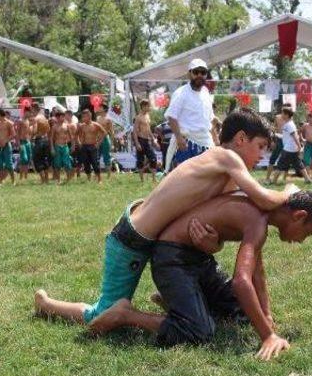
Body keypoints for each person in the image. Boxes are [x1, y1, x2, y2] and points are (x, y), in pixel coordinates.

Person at [33, 108, 297, 331]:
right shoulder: (225, 158)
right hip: (132, 238)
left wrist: (214, 244)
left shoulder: (224, 173)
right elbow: (263, 199)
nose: (262, 155)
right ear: (240, 139)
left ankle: (174, 302)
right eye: (260, 147)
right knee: (102, 311)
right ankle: (47, 305)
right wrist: (288, 191)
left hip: (153, 239)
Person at [39, 190, 312, 361]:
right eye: (308, 234)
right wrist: (268, 336)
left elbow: (257, 272)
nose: (302, 241)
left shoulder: (261, 210)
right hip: (173, 260)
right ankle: (127, 314)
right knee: (200, 332)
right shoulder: (257, 220)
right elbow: (242, 281)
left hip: (198, 260)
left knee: (243, 311)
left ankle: (179, 303)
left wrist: (265, 315)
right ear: (299, 216)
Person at [163, 58, 217, 171]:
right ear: (189, 74)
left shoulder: (206, 93)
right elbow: (171, 116)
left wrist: (215, 139)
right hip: (187, 142)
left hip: (206, 142)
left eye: (203, 72)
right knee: (184, 179)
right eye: (196, 72)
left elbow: (210, 118)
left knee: (206, 178)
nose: (199, 75)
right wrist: (179, 138)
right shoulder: (181, 93)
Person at [270, 107, 312, 185]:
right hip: (292, 149)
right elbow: (286, 136)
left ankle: (273, 181)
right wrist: (275, 134)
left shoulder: (289, 125)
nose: (281, 115)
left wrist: (300, 147)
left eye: (282, 113)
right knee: (299, 164)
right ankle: (307, 179)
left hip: (288, 149)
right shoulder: (289, 124)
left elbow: (294, 136)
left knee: (280, 164)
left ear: (286, 115)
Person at [77, 108, 107, 184]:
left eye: (85, 117)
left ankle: (99, 179)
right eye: (83, 117)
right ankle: (89, 178)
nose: (83, 118)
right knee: (86, 163)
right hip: (84, 146)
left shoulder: (96, 125)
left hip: (93, 146)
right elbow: (76, 135)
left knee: (95, 163)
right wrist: (79, 142)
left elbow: (104, 133)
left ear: (89, 116)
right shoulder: (81, 126)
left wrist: (99, 143)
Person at [133, 100, 159, 182]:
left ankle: (154, 179)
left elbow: (149, 130)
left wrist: (154, 140)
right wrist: (137, 143)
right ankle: (142, 180)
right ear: (143, 106)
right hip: (140, 140)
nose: (149, 107)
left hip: (147, 140)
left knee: (153, 158)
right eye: (148, 106)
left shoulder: (147, 116)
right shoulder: (138, 117)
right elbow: (134, 132)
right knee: (140, 160)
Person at [50, 110, 74, 184]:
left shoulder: (67, 125)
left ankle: (68, 179)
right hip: (57, 146)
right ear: (57, 117)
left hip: (65, 146)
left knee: (67, 163)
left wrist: (73, 145)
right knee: (57, 164)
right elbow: (51, 138)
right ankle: (58, 180)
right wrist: (52, 148)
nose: (63, 118)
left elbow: (71, 136)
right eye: (62, 116)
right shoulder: (54, 127)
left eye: (64, 116)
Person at [30, 102, 52, 184]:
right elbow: (48, 129)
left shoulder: (36, 119)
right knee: (44, 160)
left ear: (33, 108)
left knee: (37, 160)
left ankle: (43, 180)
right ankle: (46, 180)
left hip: (39, 140)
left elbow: (34, 130)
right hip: (45, 140)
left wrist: (31, 137)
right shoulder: (43, 117)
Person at [264, 106, 286, 184]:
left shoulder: (290, 118)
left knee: (285, 160)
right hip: (278, 139)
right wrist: (273, 141)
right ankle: (267, 178)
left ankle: (283, 178)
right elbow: (274, 128)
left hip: (287, 140)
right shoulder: (277, 117)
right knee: (273, 158)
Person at [96, 106, 114, 179]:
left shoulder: (108, 119)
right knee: (96, 157)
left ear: (104, 109)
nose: (99, 109)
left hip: (105, 139)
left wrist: (112, 144)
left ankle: (109, 176)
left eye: (100, 107)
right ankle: (97, 175)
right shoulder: (97, 118)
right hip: (97, 139)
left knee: (107, 158)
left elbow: (112, 131)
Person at [16, 108, 33, 180]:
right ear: (26, 112)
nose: (30, 114)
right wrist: (19, 144)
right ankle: (21, 176)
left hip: (27, 142)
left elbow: (28, 132)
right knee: (24, 159)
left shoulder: (28, 121)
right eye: (29, 112)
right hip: (22, 142)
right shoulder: (20, 121)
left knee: (28, 159)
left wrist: (29, 140)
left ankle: (25, 177)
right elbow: (17, 133)